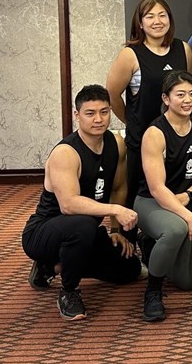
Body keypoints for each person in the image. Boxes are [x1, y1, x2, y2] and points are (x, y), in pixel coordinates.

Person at [21, 85, 141, 321]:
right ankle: (69, 291)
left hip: (84, 232)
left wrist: (116, 230)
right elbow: (68, 205)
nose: (98, 119)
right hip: (44, 233)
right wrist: (115, 210)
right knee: (82, 224)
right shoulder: (66, 153)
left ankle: (52, 267)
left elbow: (117, 187)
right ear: (77, 115)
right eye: (90, 113)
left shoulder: (116, 143)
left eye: (104, 112)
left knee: (129, 269)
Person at [134, 71, 192, 321]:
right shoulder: (155, 133)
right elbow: (157, 188)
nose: (187, 100)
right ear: (166, 99)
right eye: (180, 95)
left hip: (182, 200)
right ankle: (153, 291)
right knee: (177, 229)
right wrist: (189, 218)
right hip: (151, 201)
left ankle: (151, 244)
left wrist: (190, 195)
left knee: (187, 281)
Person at [106, 0, 192, 216]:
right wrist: (131, 120)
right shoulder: (130, 54)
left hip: (177, 139)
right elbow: (113, 94)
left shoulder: (183, 49)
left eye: (162, 15)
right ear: (140, 22)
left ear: (170, 19)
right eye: (150, 16)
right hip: (141, 138)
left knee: (177, 191)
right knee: (136, 194)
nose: (157, 21)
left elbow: (186, 88)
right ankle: (129, 240)